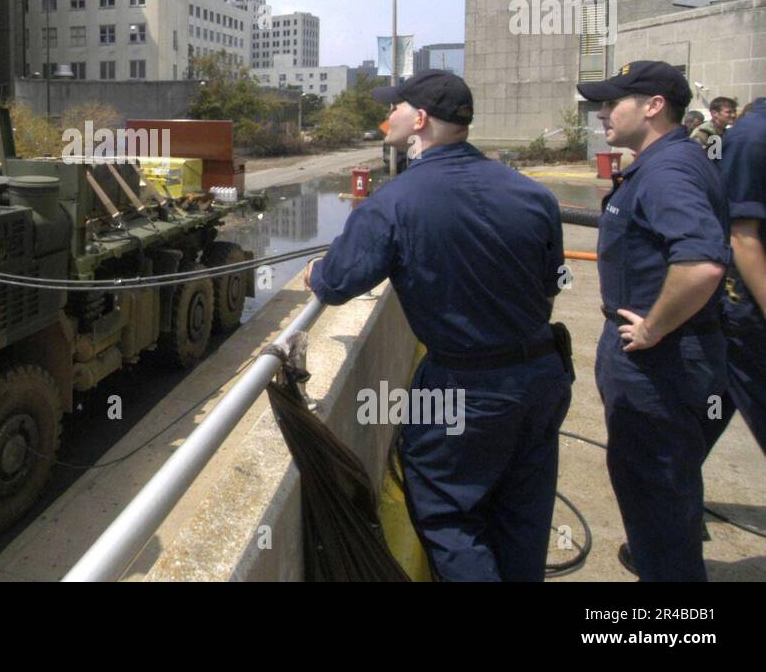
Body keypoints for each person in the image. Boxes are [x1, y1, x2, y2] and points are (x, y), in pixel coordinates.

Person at [304, 70, 571, 581]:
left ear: (420, 120)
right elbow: (551, 284)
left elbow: (336, 283)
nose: (387, 118)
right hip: (540, 377)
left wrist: (319, 271)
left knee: (448, 514)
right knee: (522, 517)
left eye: (396, 109)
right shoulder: (532, 194)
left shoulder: (395, 201)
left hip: (463, 389)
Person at [577, 61, 729, 581]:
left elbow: (702, 263)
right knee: (664, 497)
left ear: (653, 105)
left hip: (660, 364)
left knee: (657, 500)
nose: (601, 113)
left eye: (611, 103)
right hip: (670, 359)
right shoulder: (666, 161)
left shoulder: (666, 171)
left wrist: (653, 327)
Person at [706, 93, 766, 456]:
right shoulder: (751, 138)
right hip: (750, 309)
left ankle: (668, 490)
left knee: (717, 399)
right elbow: (743, 239)